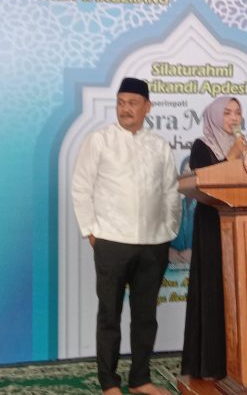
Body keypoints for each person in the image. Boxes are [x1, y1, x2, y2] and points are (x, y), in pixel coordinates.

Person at [71, 77, 180, 395]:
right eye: (121, 103)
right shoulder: (99, 140)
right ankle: (109, 382)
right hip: (111, 241)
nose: (125, 109)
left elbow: (170, 192)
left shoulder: (159, 145)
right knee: (110, 314)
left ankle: (140, 379)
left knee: (146, 316)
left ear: (148, 107)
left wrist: (169, 230)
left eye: (132, 103)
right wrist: (91, 231)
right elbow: (81, 186)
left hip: (153, 243)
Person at [181, 96, 247, 380]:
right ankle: (211, 364)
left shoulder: (244, 148)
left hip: (241, 224)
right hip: (212, 225)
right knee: (214, 289)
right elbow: (206, 182)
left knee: (237, 290)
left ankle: (240, 361)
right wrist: (232, 156)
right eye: (227, 112)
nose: (233, 118)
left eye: (237, 113)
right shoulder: (202, 146)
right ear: (214, 116)